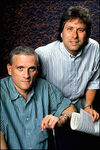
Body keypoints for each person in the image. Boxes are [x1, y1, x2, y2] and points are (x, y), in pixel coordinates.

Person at [35, 6, 100, 149]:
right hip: (56, 110)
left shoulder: (94, 48)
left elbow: (94, 80)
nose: (74, 36)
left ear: (87, 33)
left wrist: (88, 105)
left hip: (82, 106)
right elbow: (32, 88)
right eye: (69, 29)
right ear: (61, 32)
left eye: (80, 30)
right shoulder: (43, 55)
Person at [0, 46, 76, 150]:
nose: (26, 75)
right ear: (9, 69)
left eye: (31, 69)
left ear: (37, 70)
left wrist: (61, 119)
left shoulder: (45, 87)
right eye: (20, 68)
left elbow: (71, 108)